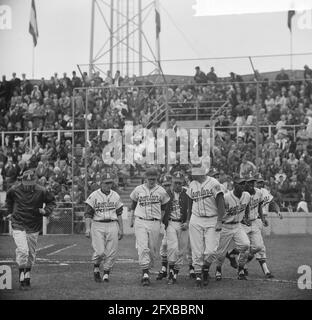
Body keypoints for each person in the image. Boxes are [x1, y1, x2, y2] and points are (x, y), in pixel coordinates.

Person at [5, 170, 56, 290]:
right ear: (22, 181)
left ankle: (27, 272)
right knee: (23, 250)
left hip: (34, 224)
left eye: (31, 182)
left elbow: (51, 202)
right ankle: (21, 274)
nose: (29, 185)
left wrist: (46, 211)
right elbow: (8, 201)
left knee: (31, 253)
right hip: (18, 223)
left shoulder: (42, 191)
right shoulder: (14, 190)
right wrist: (9, 212)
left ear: (35, 181)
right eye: (27, 182)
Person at [129, 167, 170, 286]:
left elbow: (164, 207)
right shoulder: (138, 189)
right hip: (140, 221)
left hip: (154, 222)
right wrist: (132, 218)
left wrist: (161, 219)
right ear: (145, 178)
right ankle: (145, 273)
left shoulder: (161, 190)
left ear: (156, 178)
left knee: (152, 249)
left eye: (154, 179)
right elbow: (133, 204)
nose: (151, 181)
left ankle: (148, 266)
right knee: (143, 247)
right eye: (149, 179)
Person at [186, 167, 225, 287]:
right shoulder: (192, 184)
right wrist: (188, 219)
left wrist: (219, 220)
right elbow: (189, 202)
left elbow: (221, 202)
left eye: (193, 173)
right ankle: (199, 275)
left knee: (211, 251)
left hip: (212, 219)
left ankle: (205, 268)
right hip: (196, 218)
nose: (191, 175)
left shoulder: (214, 183)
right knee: (197, 250)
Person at [85, 172, 124, 283]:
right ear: (101, 183)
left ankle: (106, 273)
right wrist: (87, 228)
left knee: (112, 251)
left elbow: (119, 213)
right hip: (97, 224)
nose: (108, 185)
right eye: (106, 183)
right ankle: (96, 267)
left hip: (113, 224)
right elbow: (88, 213)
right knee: (100, 251)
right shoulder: (94, 195)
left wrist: (121, 229)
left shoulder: (115, 195)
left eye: (110, 183)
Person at [214, 175, 251, 281]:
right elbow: (219, 211)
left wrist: (246, 217)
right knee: (220, 253)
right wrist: (218, 222)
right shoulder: (226, 197)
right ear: (235, 185)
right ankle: (218, 269)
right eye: (240, 184)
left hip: (237, 226)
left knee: (246, 245)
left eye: (244, 183)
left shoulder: (247, 195)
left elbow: (247, 205)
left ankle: (241, 269)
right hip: (225, 226)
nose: (243, 186)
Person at [162, 172, 189, 285]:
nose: (177, 185)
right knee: (172, 248)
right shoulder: (166, 193)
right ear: (172, 182)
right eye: (175, 182)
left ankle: (175, 273)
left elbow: (191, 209)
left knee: (182, 251)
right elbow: (161, 209)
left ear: (183, 183)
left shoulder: (188, 193)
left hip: (183, 225)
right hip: (171, 223)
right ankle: (171, 272)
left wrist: (187, 221)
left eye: (179, 183)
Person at [156, 174, 172, 280]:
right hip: (167, 225)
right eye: (165, 185)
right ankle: (164, 269)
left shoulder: (176, 194)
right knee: (164, 247)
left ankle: (192, 268)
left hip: (178, 224)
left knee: (176, 248)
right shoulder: (160, 195)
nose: (167, 188)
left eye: (168, 185)